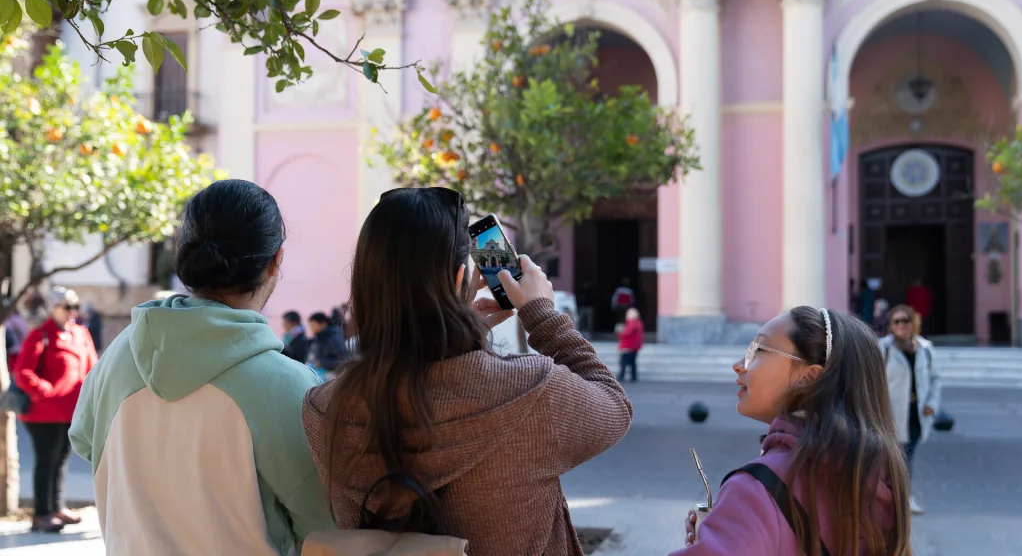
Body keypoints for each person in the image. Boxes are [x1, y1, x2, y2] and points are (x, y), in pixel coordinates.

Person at [302, 187, 633, 556]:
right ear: (461, 277)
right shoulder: (531, 390)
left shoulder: (323, 409)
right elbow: (614, 406)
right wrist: (542, 315)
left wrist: (460, 335)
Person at [70, 179, 334, 555]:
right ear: (276, 260)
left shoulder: (117, 356)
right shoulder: (287, 385)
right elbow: (323, 524)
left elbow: (84, 440)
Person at [673, 307, 910, 555]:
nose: (738, 365)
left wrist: (731, 525)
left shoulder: (755, 491)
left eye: (758, 350)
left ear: (808, 377)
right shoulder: (877, 477)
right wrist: (725, 531)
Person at [13, 286, 97, 532]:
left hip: (72, 409)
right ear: (53, 308)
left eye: (75, 306)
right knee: (46, 461)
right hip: (44, 413)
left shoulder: (81, 333)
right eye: (67, 306)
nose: (72, 311)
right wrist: (45, 391)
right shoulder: (41, 335)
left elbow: (93, 367)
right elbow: (23, 372)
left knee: (61, 459)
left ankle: (57, 507)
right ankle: (41, 513)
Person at [881, 304, 940, 516]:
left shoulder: (925, 349)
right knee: (890, 458)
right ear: (891, 325)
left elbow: (935, 379)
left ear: (913, 323)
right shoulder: (883, 349)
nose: (901, 325)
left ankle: (903, 498)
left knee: (906, 457)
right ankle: (889, 497)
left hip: (916, 413)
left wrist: (932, 403)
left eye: (905, 321)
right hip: (890, 414)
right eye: (896, 321)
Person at [616, 307, 643, 382]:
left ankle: (622, 375)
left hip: (628, 346)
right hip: (634, 346)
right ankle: (633, 376)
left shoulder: (632, 323)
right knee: (633, 363)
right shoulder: (638, 322)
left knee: (623, 362)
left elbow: (626, 333)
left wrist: (619, 332)